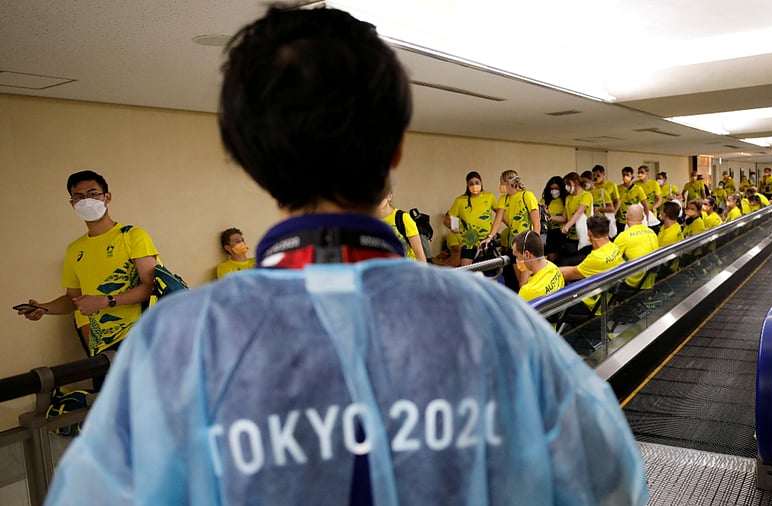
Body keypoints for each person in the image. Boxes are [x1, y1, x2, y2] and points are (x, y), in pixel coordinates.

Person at [44, 7, 648, 505]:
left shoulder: (177, 343)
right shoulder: (499, 323)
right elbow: (610, 484)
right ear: (398, 150)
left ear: (251, 158)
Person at [18, 170, 158, 358]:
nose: (86, 201)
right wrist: (44, 308)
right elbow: (72, 299)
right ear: (72, 203)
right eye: (79, 197)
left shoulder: (132, 236)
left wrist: (104, 301)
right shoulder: (74, 250)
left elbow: (150, 287)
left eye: (93, 194)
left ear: (107, 197)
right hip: (102, 348)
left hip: (142, 337)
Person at [559, 215, 624, 312]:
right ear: (607, 231)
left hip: (592, 305)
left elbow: (565, 275)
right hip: (608, 298)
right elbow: (578, 269)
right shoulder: (614, 248)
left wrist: (546, 269)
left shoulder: (595, 258)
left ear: (589, 233)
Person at [448, 171, 498, 266]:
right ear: (467, 185)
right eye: (471, 184)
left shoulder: (489, 196)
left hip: (486, 240)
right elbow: (449, 219)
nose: (474, 186)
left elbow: (500, 214)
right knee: (466, 270)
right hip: (468, 242)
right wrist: (456, 230)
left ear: (481, 183)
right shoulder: (460, 201)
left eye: (477, 183)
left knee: (488, 270)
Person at [614, 204, 660, 292]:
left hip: (632, 282)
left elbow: (611, 261)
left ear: (627, 217)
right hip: (649, 280)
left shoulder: (624, 236)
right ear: (643, 218)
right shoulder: (652, 233)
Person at [512, 230, 564, 301]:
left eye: (517, 256)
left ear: (527, 254)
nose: (517, 260)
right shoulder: (554, 268)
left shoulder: (528, 291)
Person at [378, 192, 427, 262]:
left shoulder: (403, 218)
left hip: (408, 269)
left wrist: (422, 272)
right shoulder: (369, 220)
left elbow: (419, 253)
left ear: (389, 196)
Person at [560, 171, 593, 262]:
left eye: (568, 183)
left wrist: (567, 226)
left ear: (574, 182)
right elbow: (564, 218)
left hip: (584, 237)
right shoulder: (568, 198)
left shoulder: (586, 195)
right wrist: (549, 216)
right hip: (570, 238)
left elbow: (578, 213)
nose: (566, 187)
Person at [539, 175, 569, 262]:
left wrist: (550, 216)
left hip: (562, 232)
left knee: (561, 258)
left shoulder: (566, 200)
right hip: (549, 232)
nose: (554, 191)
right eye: (551, 189)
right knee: (551, 258)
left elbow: (565, 218)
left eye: (556, 188)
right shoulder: (545, 200)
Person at [616, 166, 650, 232]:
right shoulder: (618, 188)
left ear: (632, 176)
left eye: (627, 175)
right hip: (620, 220)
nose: (625, 177)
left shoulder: (638, 189)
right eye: (623, 175)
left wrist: (647, 220)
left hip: (632, 221)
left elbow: (645, 205)